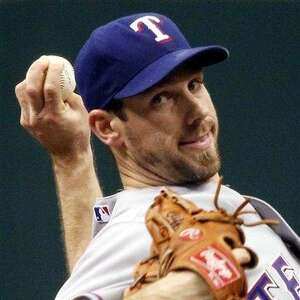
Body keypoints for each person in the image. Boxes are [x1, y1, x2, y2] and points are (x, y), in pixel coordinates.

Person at [15, 13, 299, 300]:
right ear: (105, 126)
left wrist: (72, 158)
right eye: (161, 98)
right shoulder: (136, 230)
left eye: (194, 85)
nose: (198, 111)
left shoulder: (197, 208)